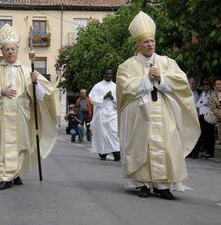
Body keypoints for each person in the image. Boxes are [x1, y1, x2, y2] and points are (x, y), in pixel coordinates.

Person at [116, 11, 200, 200]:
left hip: (164, 112)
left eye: (152, 41)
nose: (150, 44)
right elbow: (125, 88)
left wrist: (161, 78)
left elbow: (181, 82)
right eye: (145, 42)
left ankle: (163, 186)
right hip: (140, 114)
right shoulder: (127, 65)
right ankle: (143, 184)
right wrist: (146, 80)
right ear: (138, 44)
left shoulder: (166, 62)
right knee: (141, 146)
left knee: (167, 146)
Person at [0, 24, 57, 191]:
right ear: (2, 51)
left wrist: (37, 82)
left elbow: (44, 93)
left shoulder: (26, 71)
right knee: (3, 145)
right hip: (1, 114)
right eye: (7, 49)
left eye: (13, 49)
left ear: (17, 50)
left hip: (22, 114)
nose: (10, 52)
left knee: (22, 144)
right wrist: (0, 90)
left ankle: (15, 173)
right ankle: (4, 177)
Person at [89, 69, 120, 161]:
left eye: (110, 74)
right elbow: (92, 98)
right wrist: (103, 97)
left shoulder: (116, 87)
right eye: (107, 74)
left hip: (113, 113)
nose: (109, 75)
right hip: (101, 114)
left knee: (114, 132)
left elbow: (120, 101)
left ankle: (116, 152)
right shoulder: (98, 86)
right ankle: (103, 152)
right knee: (103, 134)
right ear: (104, 75)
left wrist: (112, 97)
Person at [190, 79, 215, 159]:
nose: (205, 86)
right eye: (204, 85)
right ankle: (195, 153)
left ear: (210, 85)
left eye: (207, 84)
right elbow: (197, 105)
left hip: (209, 116)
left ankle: (209, 152)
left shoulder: (212, 93)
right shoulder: (202, 94)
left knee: (210, 135)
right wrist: (204, 104)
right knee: (200, 134)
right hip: (201, 115)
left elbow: (209, 103)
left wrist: (203, 103)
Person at [208, 78, 221, 146]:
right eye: (217, 84)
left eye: (220, 84)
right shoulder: (213, 95)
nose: (219, 85)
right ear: (215, 86)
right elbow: (212, 107)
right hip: (218, 119)